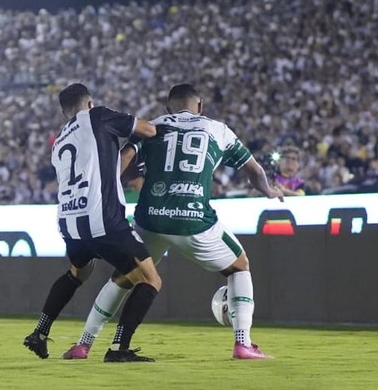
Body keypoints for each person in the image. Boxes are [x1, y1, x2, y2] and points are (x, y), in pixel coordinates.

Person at [62, 83, 283, 361]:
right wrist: (269, 190)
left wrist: (105, 189)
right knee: (239, 266)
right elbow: (254, 169)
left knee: (123, 277)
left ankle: (84, 343)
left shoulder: (153, 126)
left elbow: (124, 157)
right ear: (200, 106)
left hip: (150, 220)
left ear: (169, 108)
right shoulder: (218, 129)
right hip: (194, 220)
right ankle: (243, 343)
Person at [22, 82, 163, 363]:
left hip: (70, 223)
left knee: (77, 274)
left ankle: (40, 331)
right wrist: (135, 143)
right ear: (90, 103)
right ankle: (119, 348)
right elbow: (150, 130)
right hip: (103, 219)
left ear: (65, 114)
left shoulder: (60, 140)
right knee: (150, 280)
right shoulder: (97, 116)